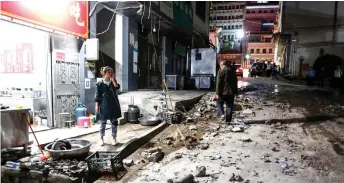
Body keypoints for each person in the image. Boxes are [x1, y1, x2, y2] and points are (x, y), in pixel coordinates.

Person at [95, 66, 122, 146]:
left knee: (114, 122)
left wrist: (113, 79)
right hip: (104, 105)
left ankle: (114, 138)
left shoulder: (113, 81)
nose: (110, 74)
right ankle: (101, 138)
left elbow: (117, 87)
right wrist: (97, 105)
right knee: (102, 123)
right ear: (104, 73)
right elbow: (97, 95)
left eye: (111, 72)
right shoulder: (100, 83)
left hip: (113, 104)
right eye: (108, 72)